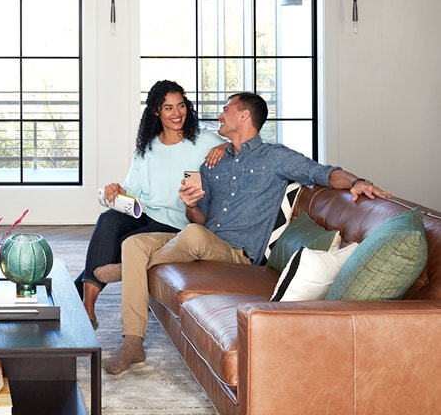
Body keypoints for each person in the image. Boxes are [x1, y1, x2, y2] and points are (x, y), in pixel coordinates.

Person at [106, 91, 391, 375]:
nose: (219, 114)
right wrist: (190, 204)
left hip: (236, 253)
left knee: (192, 235)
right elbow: (199, 218)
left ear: (243, 116)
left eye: (226, 109)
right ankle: (133, 340)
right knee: (135, 243)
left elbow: (323, 173)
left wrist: (357, 181)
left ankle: (131, 271)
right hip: (202, 239)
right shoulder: (214, 163)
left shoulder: (275, 157)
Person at [75, 80, 227, 329]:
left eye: (180, 106)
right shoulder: (147, 148)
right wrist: (118, 191)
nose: (177, 113)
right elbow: (133, 191)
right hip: (145, 213)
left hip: (179, 222)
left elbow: (242, 145)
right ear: (156, 112)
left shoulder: (204, 140)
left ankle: (82, 290)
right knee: (108, 220)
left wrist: (223, 146)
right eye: (168, 108)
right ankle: (88, 308)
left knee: (125, 242)